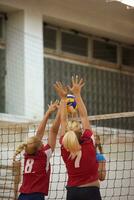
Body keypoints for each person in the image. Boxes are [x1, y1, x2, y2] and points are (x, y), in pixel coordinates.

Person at [54, 75, 102, 200]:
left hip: (72, 193)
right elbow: (84, 117)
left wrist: (64, 99)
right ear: (81, 132)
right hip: (91, 192)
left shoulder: (65, 147)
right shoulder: (88, 143)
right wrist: (77, 94)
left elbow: (63, 120)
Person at [12, 100, 60, 200]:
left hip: (22, 196)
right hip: (36, 196)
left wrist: (49, 112)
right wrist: (61, 112)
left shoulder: (27, 154)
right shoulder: (44, 155)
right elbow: (54, 131)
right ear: (39, 147)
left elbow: (39, 133)